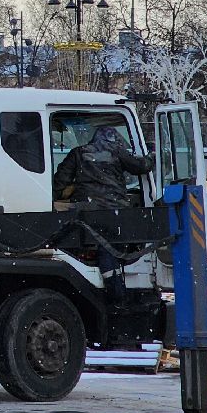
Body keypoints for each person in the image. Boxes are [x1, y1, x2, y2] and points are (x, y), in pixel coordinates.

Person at [53, 124, 154, 303]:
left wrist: (72, 191)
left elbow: (59, 183)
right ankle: (118, 293)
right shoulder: (117, 151)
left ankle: (105, 282)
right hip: (115, 213)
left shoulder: (78, 152)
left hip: (87, 214)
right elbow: (141, 166)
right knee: (112, 249)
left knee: (98, 246)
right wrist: (153, 155)